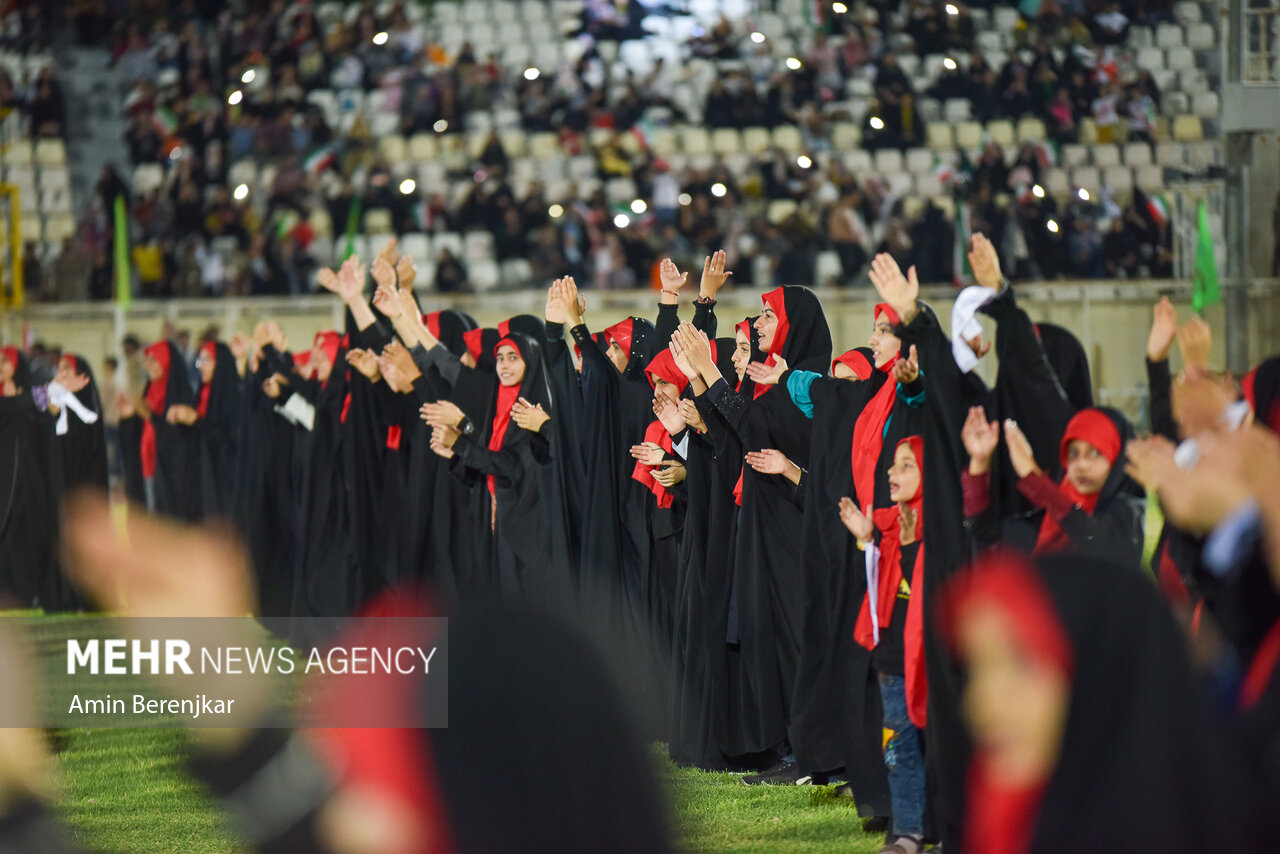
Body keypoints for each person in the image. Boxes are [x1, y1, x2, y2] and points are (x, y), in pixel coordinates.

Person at [941, 549, 1259, 852]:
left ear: (1106, 676)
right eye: (975, 669)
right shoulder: (1016, 824)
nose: (979, 707)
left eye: (1023, 663)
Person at [839, 437, 928, 854]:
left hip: (931, 661)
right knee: (899, 750)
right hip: (893, 660)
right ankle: (907, 832)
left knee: (940, 752)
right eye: (893, 464)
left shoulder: (943, 527)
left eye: (906, 466)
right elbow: (880, 597)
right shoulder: (888, 526)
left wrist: (908, 548)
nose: (891, 473)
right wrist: (866, 542)